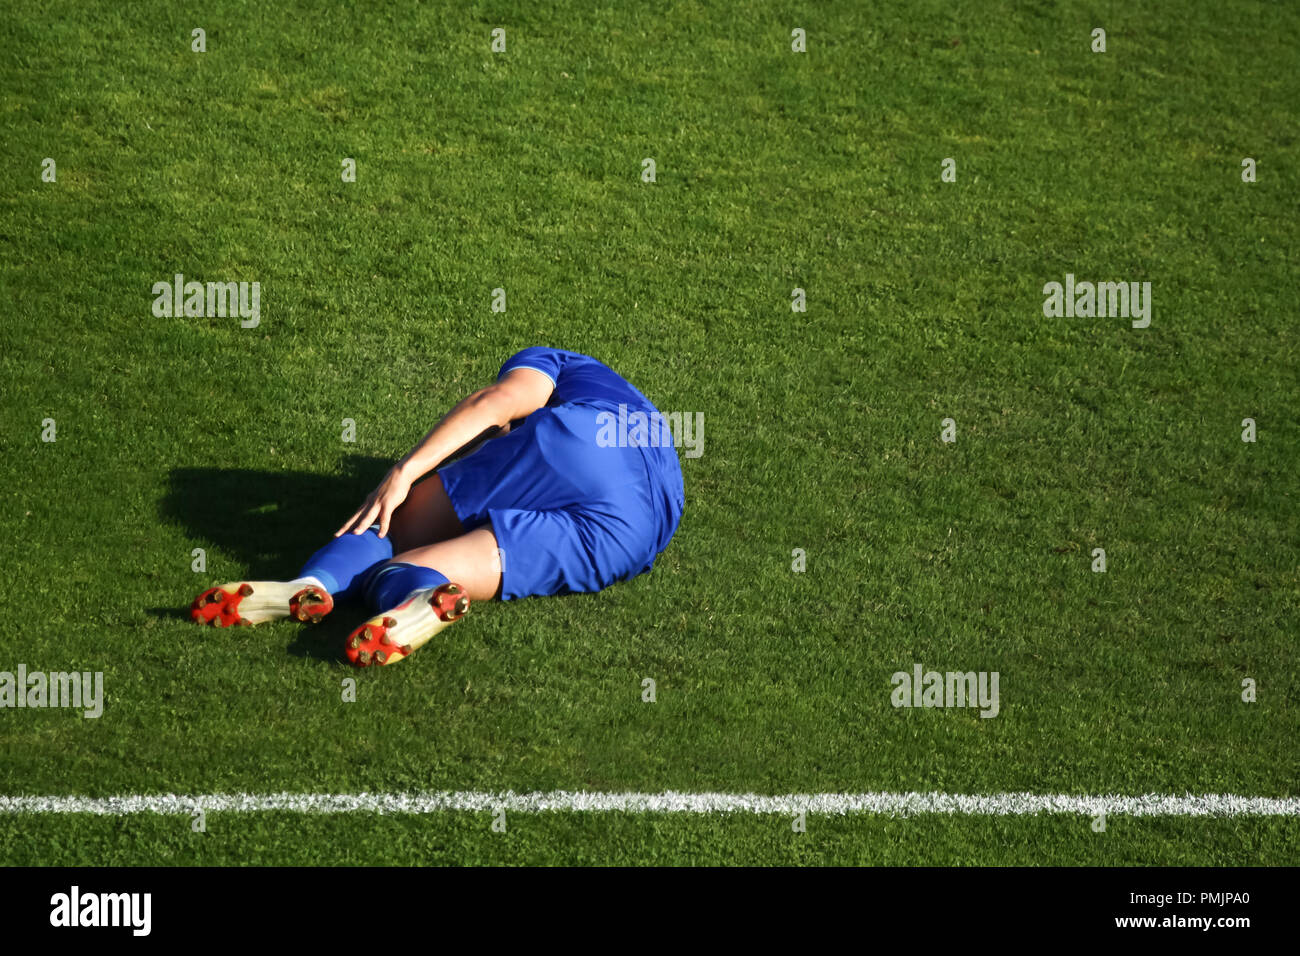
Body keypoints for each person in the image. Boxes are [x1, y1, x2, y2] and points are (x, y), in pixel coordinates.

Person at [190, 347, 685, 667]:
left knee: (393, 530)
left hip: (578, 441)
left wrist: (404, 472)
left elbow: (496, 403)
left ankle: (312, 585)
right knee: (424, 565)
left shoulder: (556, 360)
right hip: (634, 533)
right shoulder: (638, 411)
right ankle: (419, 597)